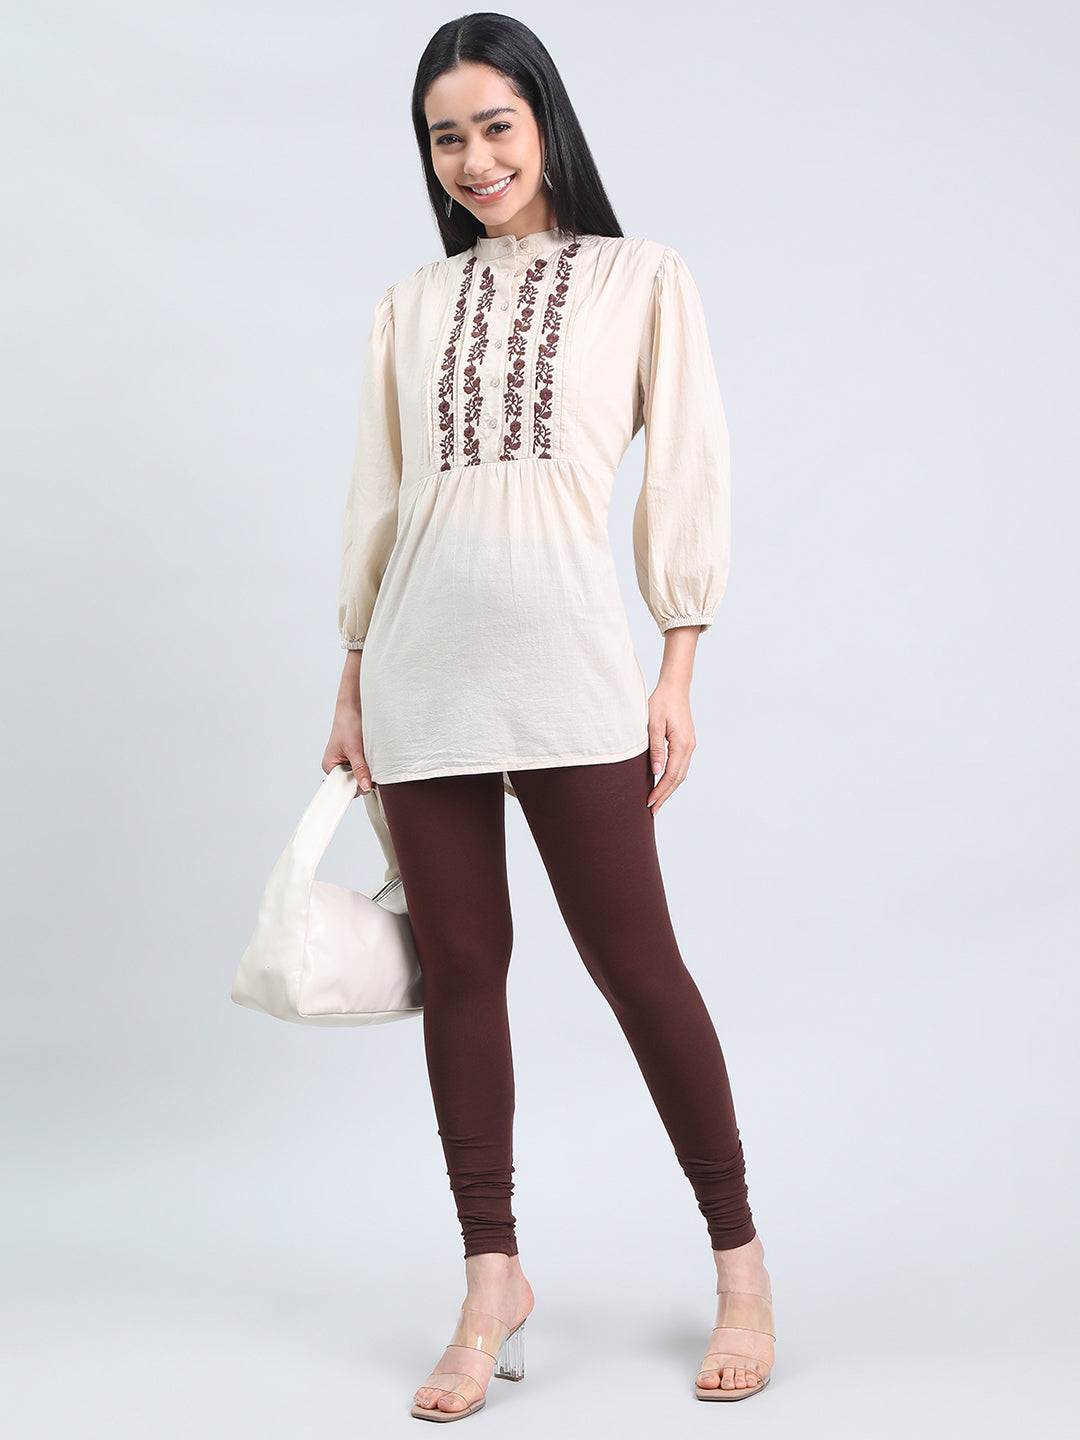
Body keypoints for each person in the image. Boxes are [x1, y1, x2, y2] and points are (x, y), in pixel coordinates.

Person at [322, 13, 775, 1420]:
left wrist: (677, 668)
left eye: (496, 126)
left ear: (546, 124)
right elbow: (381, 500)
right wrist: (350, 678)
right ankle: (491, 1278)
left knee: (640, 969)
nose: (474, 159)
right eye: (445, 137)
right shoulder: (410, 305)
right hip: (419, 677)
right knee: (461, 971)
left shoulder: (641, 279)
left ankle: (742, 1267)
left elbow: (686, 475)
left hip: (571, 671)